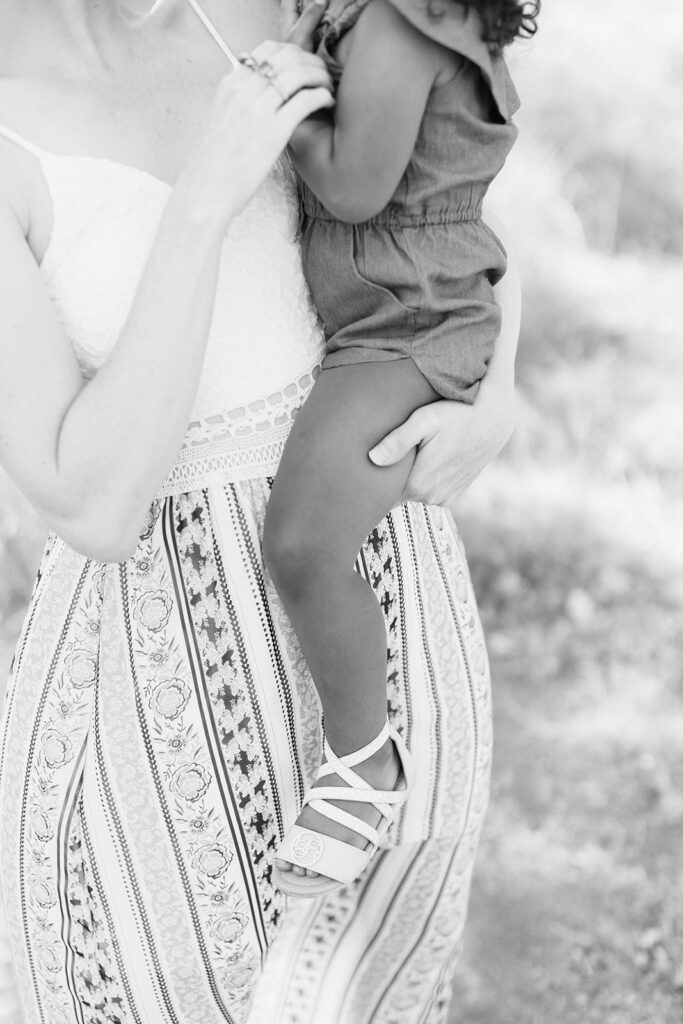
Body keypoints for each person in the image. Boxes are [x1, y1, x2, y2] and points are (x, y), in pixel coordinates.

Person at [0, 1, 520, 1022]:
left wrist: (498, 385)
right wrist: (200, 203)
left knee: (374, 993)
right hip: (156, 698)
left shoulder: (271, 8)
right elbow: (94, 505)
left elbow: (456, 177)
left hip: (382, 626)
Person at [264, 0, 536, 897]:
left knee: (303, 543)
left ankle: (362, 763)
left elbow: (351, 188)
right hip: (395, 311)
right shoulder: (385, 17)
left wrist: (277, 93)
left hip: (407, 322)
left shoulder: (396, 22)